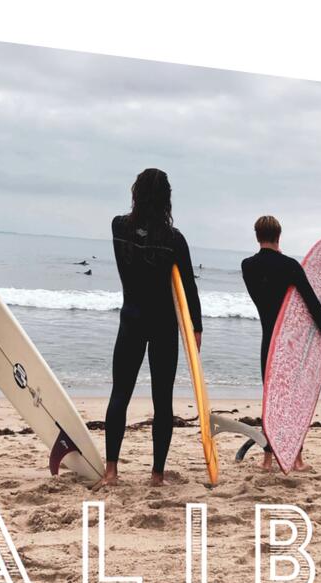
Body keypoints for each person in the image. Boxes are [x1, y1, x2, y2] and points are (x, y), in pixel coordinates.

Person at [95, 168, 202, 489]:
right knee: (162, 400)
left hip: (130, 320)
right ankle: (157, 476)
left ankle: (111, 471)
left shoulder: (118, 227)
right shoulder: (173, 239)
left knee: (120, 394)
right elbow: (189, 287)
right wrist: (196, 327)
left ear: (136, 193)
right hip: (163, 325)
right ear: (166, 198)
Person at [241, 215, 321, 472]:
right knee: (292, 402)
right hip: (289, 345)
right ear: (279, 236)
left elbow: (263, 295)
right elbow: (312, 302)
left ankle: (268, 460)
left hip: (267, 344)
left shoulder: (247, 266)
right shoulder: (290, 266)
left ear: (257, 236)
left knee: (271, 403)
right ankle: (297, 458)